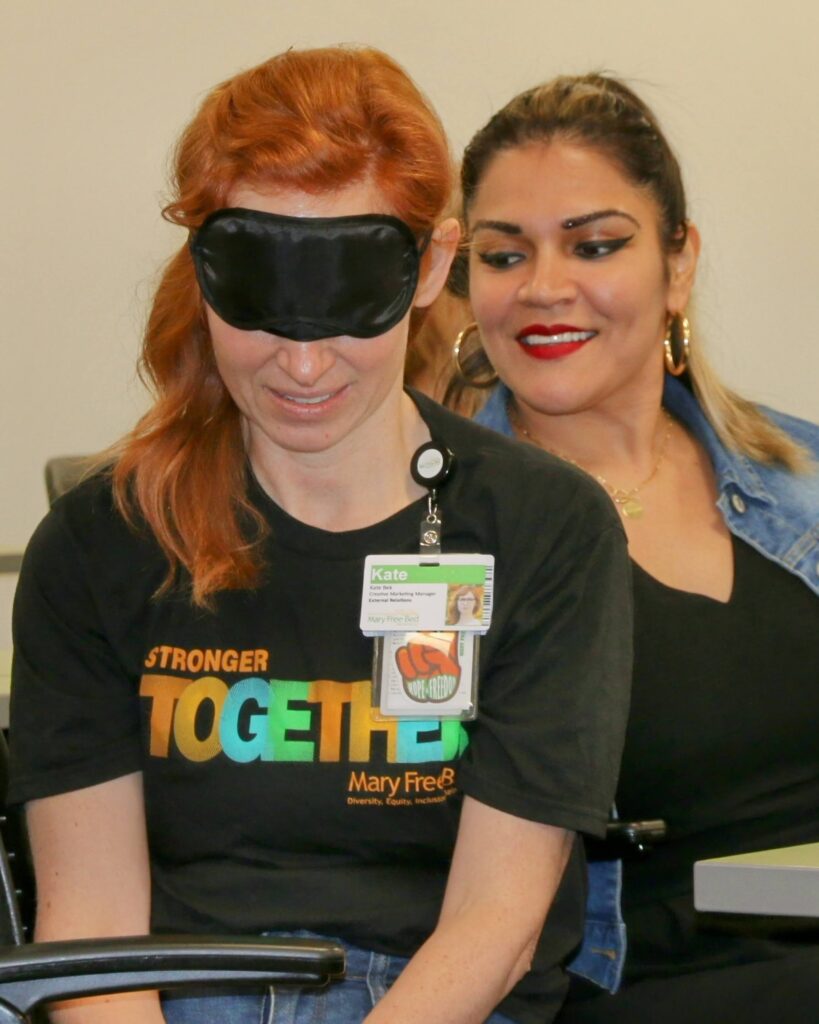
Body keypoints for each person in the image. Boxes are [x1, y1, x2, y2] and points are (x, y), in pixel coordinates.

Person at [8, 50, 633, 1024]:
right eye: (260, 304)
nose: (302, 363)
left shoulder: (544, 530)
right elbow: (90, 929)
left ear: (431, 266)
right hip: (181, 996)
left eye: (346, 305)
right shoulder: (103, 545)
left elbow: (496, 920)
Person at [448, 72, 819, 1023]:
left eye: (595, 245)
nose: (542, 287)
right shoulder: (438, 539)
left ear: (678, 262)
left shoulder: (803, 472)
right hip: (653, 980)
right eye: (501, 255)